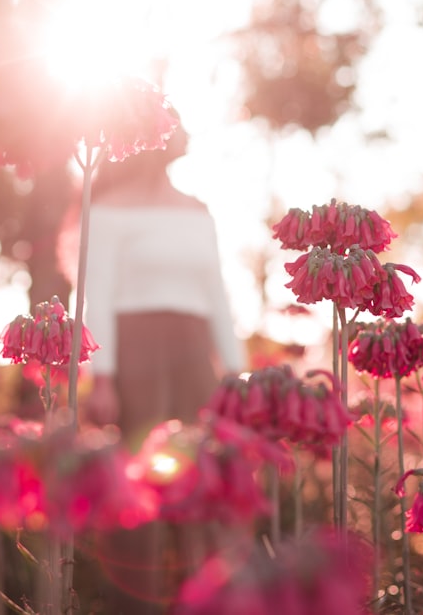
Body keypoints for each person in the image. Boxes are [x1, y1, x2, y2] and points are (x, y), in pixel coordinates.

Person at [78, 122, 247, 614]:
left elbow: (217, 293)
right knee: (139, 489)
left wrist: (236, 375)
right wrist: (102, 376)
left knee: (206, 481)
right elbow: (99, 298)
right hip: (134, 357)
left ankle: (216, 598)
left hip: (196, 357)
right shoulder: (107, 211)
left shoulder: (198, 212)